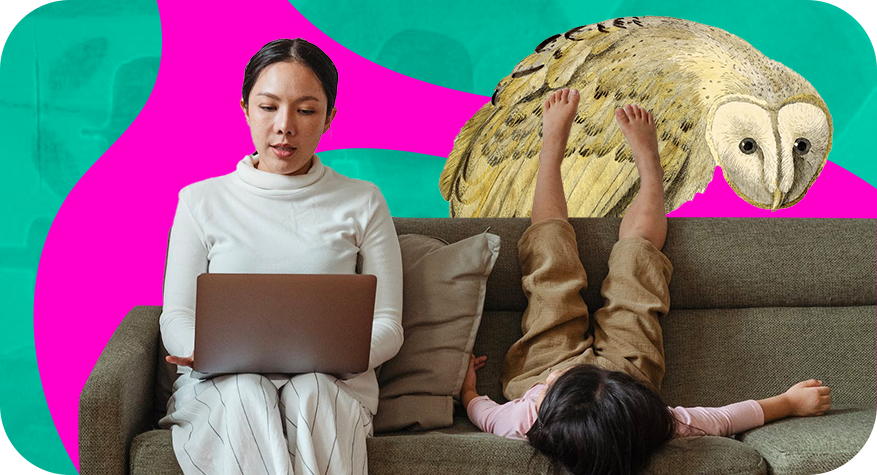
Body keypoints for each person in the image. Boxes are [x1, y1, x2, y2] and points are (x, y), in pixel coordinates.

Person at [461, 88, 832, 475]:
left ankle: (551, 148)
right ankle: (651, 170)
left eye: (564, 380)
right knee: (638, 267)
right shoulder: (650, 423)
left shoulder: (524, 419)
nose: (574, 368)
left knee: (549, 265)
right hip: (628, 375)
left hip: (540, 372)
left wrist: (467, 387)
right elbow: (724, 418)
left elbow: (481, 412)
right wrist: (788, 403)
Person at [158, 38, 403, 475]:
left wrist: (340, 355)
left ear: (329, 118)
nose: (284, 126)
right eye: (268, 107)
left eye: (306, 111)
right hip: (222, 387)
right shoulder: (200, 201)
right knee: (246, 391)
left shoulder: (363, 201)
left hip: (331, 385)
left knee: (312, 393)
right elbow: (176, 316)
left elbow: (388, 324)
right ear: (245, 109)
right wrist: (203, 349)